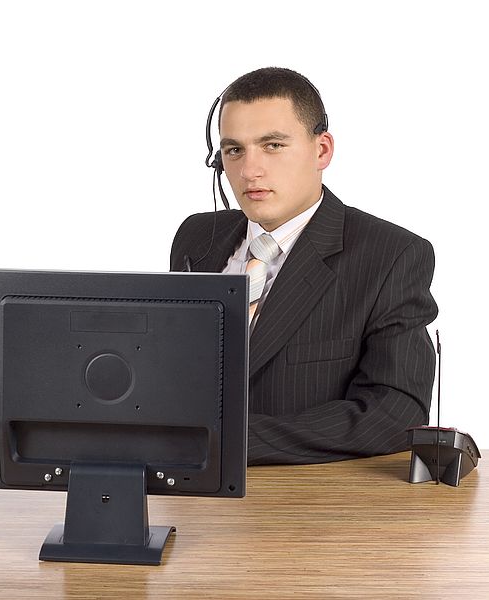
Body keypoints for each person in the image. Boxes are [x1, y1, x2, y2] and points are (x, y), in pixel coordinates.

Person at [170, 67, 438, 465]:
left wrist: (226, 442)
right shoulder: (196, 238)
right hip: (188, 497)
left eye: (273, 145)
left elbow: (394, 413)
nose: (249, 170)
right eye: (234, 150)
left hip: (308, 505)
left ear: (322, 150)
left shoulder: (391, 255)